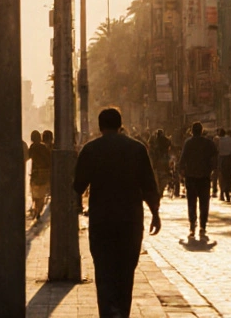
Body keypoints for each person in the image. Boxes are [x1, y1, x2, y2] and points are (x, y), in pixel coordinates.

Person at [73, 108, 161, 318]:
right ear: (120, 125)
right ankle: (121, 312)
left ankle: (108, 311)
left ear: (100, 126)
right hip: (130, 221)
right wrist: (155, 214)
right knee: (126, 271)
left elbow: (77, 186)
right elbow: (149, 186)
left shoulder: (91, 149)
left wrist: (77, 208)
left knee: (104, 271)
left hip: (101, 221)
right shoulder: (137, 149)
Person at [178, 122, 217, 240]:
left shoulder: (188, 143)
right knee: (204, 202)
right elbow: (215, 157)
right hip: (204, 177)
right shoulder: (208, 143)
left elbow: (183, 159)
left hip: (191, 177)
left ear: (192, 131)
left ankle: (192, 224)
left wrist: (181, 171)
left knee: (191, 201)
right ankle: (202, 226)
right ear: (201, 131)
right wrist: (213, 169)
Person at [28, 130, 52, 220]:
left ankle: (36, 209)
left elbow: (27, 157)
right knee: (41, 194)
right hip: (44, 174)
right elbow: (49, 160)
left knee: (35, 194)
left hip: (35, 174)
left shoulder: (32, 148)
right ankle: (38, 211)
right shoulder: (44, 148)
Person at [148, 129, 172, 197]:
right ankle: (160, 190)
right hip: (163, 161)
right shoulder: (164, 140)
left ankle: (159, 190)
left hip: (159, 162)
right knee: (163, 176)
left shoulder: (156, 141)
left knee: (159, 177)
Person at [216, 128, 231, 202]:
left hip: (221, 159)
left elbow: (216, 150)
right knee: (229, 177)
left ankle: (222, 192)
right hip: (229, 159)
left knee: (222, 176)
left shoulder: (217, 140)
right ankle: (227, 191)